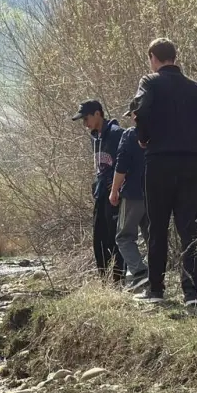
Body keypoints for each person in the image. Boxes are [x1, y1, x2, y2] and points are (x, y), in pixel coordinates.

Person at [131, 38, 197, 306]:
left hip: (159, 162)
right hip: (191, 163)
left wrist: (143, 137)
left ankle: (156, 290)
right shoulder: (195, 88)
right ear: (174, 57)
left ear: (154, 57)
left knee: (158, 227)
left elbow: (140, 111)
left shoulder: (149, 82)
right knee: (190, 229)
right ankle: (192, 294)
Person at [71, 100, 125, 283]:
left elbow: (128, 161)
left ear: (97, 114)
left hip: (115, 194)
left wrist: (118, 186)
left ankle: (118, 280)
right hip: (100, 193)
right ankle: (105, 280)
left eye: (86, 118)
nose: (85, 124)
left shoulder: (118, 134)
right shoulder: (94, 138)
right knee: (99, 239)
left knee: (114, 237)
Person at [109, 98, 150, 291]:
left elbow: (121, 166)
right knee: (153, 237)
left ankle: (140, 273)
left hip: (133, 193)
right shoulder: (161, 135)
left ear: (135, 115)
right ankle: (156, 279)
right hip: (156, 194)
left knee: (124, 237)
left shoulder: (129, 135)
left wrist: (114, 190)